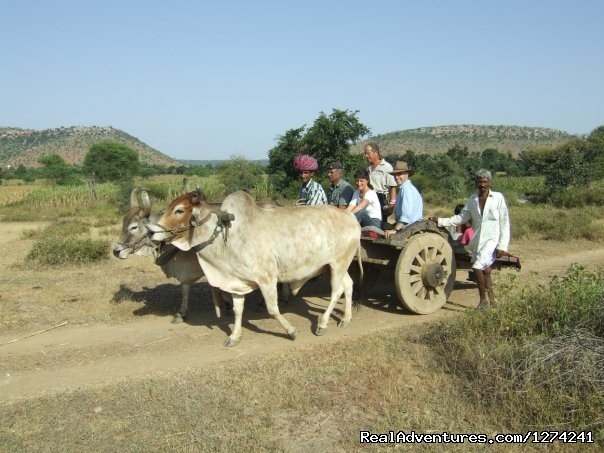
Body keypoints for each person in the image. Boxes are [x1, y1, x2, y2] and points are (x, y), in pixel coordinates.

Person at [431, 169, 510, 309]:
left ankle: (483, 301)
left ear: (490, 183)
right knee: (486, 270)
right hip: (478, 240)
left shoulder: (498, 198)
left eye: (485, 182)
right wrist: (441, 221)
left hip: (493, 239)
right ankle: (493, 301)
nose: (482, 185)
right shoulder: (472, 200)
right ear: (476, 183)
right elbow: (461, 218)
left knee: (477, 266)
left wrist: (502, 246)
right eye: (479, 181)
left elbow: (504, 222)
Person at [384, 161, 423, 238]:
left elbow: (406, 214)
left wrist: (395, 230)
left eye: (399, 174)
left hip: (408, 228)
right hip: (408, 226)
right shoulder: (405, 188)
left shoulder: (406, 189)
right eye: (395, 175)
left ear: (406, 174)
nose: (396, 177)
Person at [364, 143, 397, 215]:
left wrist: (392, 205)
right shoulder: (368, 169)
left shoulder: (386, 167)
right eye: (365, 154)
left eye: (368, 153)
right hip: (368, 200)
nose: (366, 156)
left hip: (381, 200)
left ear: (375, 153)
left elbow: (392, 186)